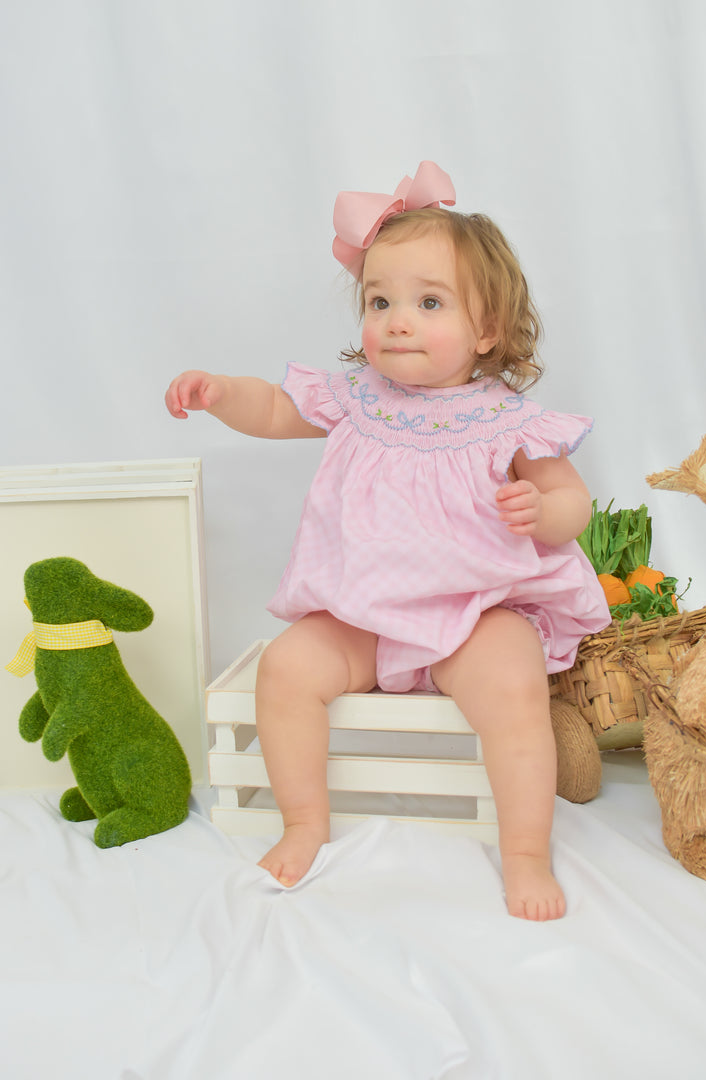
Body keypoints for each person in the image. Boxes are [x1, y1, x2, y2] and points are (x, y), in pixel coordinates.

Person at [165, 162, 610, 921]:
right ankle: (304, 821)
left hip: (474, 613)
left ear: (488, 329)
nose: (396, 320)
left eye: (428, 302)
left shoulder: (507, 418)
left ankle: (526, 852)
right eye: (380, 301)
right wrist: (222, 392)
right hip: (363, 619)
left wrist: (545, 508)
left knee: (513, 688)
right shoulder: (357, 399)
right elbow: (276, 410)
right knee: (286, 670)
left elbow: (572, 498)